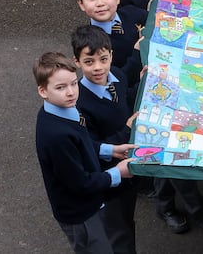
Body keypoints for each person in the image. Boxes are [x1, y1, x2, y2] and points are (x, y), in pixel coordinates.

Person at [33, 51, 134, 253]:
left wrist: (110, 149)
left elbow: (82, 144)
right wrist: (117, 173)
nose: (71, 92)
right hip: (80, 213)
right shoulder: (57, 136)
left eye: (73, 83)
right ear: (43, 91)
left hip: (90, 204)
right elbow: (80, 183)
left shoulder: (65, 108)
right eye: (60, 87)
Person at [72, 26, 139, 254]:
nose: (98, 67)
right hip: (108, 177)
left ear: (111, 54)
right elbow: (89, 147)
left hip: (126, 170)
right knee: (119, 231)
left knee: (128, 220)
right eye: (89, 62)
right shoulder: (79, 104)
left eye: (103, 59)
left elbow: (125, 99)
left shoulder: (116, 76)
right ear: (77, 62)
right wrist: (126, 130)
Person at [77, 0, 146, 86]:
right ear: (81, 4)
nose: (100, 3)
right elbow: (118, 80)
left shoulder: (131, 12)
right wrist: (137, 52)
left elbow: (155, 23)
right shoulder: (91, 43)